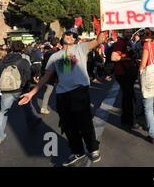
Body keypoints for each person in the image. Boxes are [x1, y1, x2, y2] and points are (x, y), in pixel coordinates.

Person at [19, 28, 106, 166]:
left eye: (74, 35)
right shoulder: (54, 56)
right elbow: (46, 77)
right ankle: (78, 151)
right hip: (62, 95)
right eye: (68, 34)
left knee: (84, 123)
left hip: (79, 92)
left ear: (76, 39)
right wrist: (31, 93)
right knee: (68, 126)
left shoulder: (81, 48)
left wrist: (103, 26)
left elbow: (100, 40)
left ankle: (93, 149)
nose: (70, 36)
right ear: (63, 36)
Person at [0, 41, 42, 145]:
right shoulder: (23, 61)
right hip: (20, 89)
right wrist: (23, 85)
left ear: (11, 48)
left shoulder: (3, 61)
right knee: (27, 107)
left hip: (6, 90)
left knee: (3, 112)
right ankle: (31, 122)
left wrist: (1, 86)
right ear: (22, 49)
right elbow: (28, 75)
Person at [111, 29, 142, 131]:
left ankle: (125, 120)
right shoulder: (120, 43)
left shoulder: (128, 42)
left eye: (130, 32)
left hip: (127, 74)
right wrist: (128, 59)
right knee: (129, 98)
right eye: (127, 32)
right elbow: (114, 57)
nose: (129, 33)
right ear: (123, 32)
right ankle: (131, 122)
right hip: (123, 74)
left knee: (127, 97)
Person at [40, 37, 61, 114]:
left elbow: (43, 64)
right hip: (55, 75)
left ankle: (44, 107)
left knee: (48, 91)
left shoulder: (47, 53)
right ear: (58, 44)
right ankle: (44, 107)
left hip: (47, 73)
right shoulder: (57, 53)